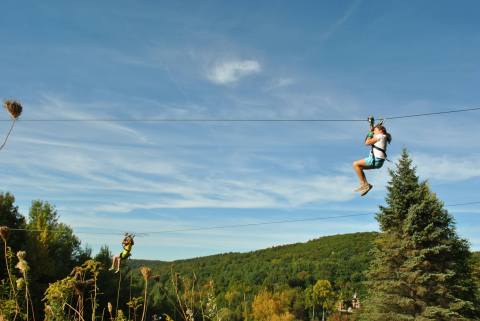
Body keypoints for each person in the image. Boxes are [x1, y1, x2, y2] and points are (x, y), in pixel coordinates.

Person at [353, 124, 391, 196]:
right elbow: (372, 133)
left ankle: (365, 184)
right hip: (379, 161)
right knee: (359, 167)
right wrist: (372, 126)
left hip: (375, 160)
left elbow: (367, 142)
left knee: (355, 164)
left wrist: (370, 133)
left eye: (375, 131)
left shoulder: (380, 136)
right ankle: (365, 184)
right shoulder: (382, 137)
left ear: (381, 131)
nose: (374, 132)